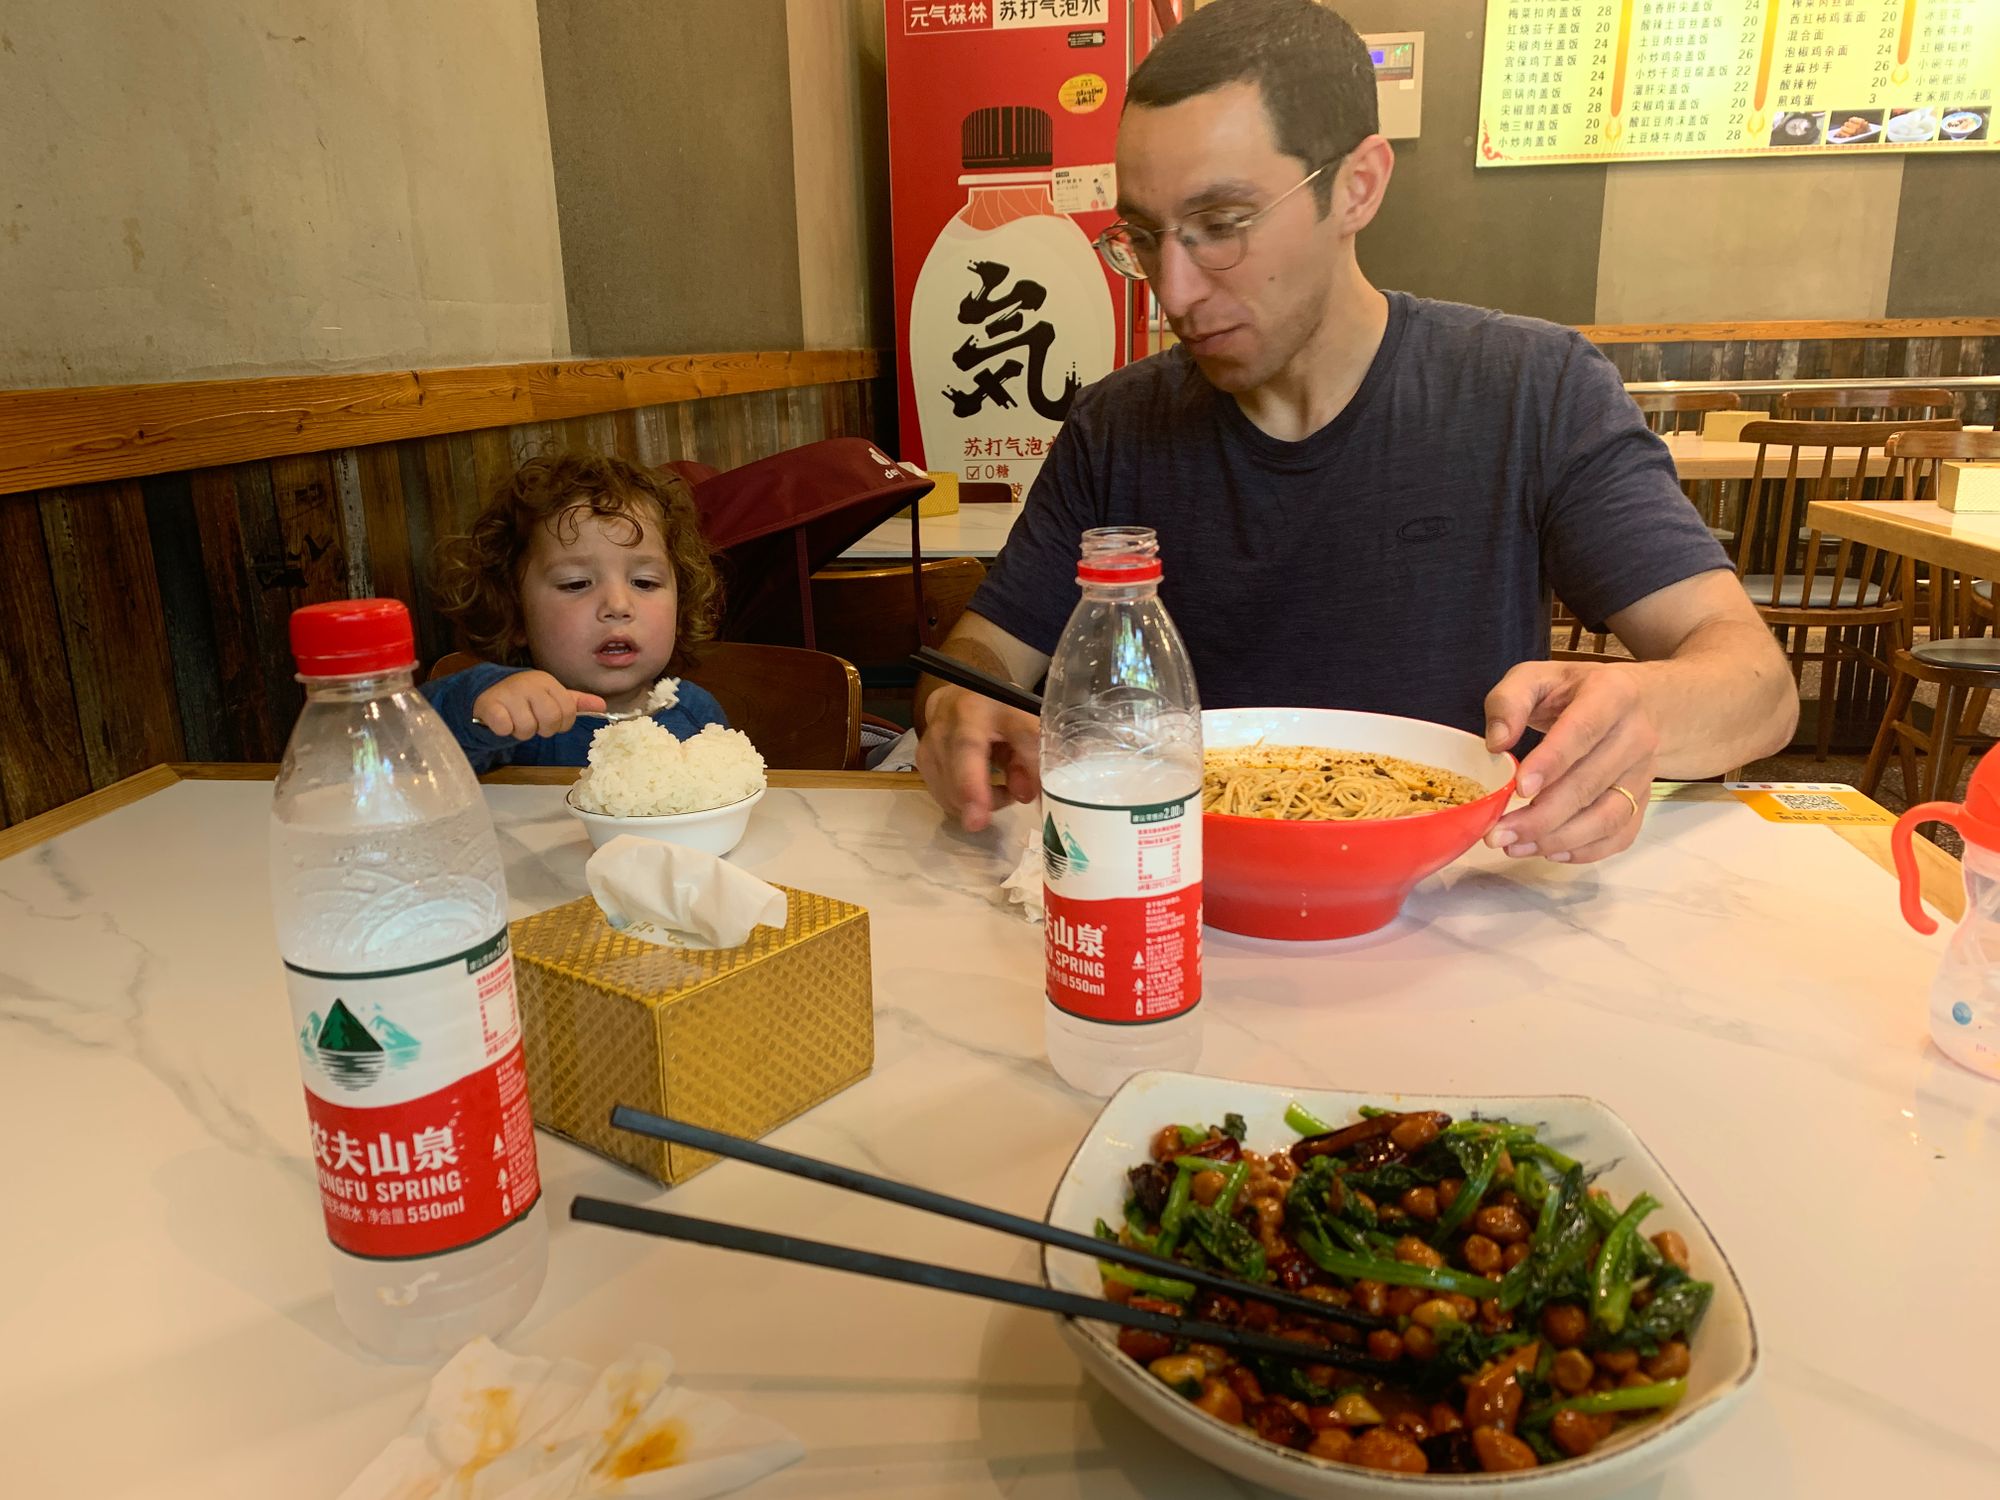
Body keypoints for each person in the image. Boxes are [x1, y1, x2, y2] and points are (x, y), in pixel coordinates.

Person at [915, 0, 1795, 866]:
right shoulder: (1117, 427)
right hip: (1190, 901)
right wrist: (959, 708)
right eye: (1144, 237)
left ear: (1358, 186)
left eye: (1222, 226)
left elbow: (1757, 685)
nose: (1172, 290)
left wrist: (1639, 712)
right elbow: (981, 653)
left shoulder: (1532, 389)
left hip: (1462, 901)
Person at [421, 453, 727, 772]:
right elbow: (406, 742)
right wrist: (483, 701)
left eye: (645, 582)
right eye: (576, 584)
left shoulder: (699, 716)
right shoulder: (515, 724)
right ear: (514, 611)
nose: (618, 606)